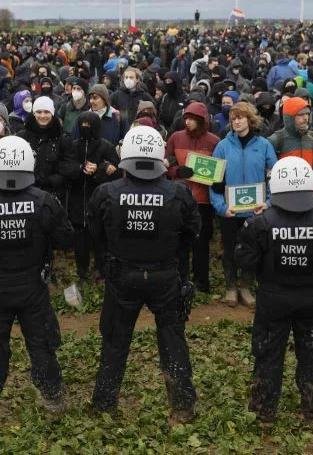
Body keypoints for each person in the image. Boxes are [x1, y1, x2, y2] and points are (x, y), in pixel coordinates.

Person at [0, 136, 75, 424]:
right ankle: (54, 399)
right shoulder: (45, 201)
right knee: (41, 344)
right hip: (33, 286)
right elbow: (66, 239)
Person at [88, 125, 200, 423]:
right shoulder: (179, 193)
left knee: (115, 340)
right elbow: (192, 232)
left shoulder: (106, 192)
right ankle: (183, 406)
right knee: (172, 340)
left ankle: (104, 403)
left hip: (123, 275)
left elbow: (95, 232)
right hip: (165, 276)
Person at [234, 156, 313, 424]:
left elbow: (244, 261)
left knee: (268, 352)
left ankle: (264, 412)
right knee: (311, 351)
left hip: (273, 298)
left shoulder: (260, 223)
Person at [210, 101, 277, 307]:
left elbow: (274, 177)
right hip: (230, 211)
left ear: (250, 119)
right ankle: (231, 287)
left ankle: (246, 286)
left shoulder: (264, 145)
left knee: (252, 250)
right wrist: (222, 207)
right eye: (233, 118)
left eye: (240, 117)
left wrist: (268, 203)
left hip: (255, 212)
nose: (236, 121)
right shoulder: (222, 146)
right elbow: (213, 182)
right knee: (229, 250)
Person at [165, 101, 220, 293]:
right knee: (179, 243)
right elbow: (167, 164)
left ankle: (202, 283)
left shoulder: (214, 141)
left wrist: (215, 179)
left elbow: (219, 169)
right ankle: (179, 281)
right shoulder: (175, 138)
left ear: (202, 120)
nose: (187, 122)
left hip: (203, 200)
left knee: (201, 243)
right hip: (178, 198)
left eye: (192, 119)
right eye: (186, 118)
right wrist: (177, 170)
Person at [69, 111, 121, 282]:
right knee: (80, 240)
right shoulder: (73, 145)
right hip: (77, 199)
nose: (85, 129)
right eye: (82, 126)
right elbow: (66, 167)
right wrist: (79, 168)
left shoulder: (106, 146)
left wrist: (100, 169)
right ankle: (82, 271)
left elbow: (116, 171)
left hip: (99, 199)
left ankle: (101, 271)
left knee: (100, 237)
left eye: (89, 126)